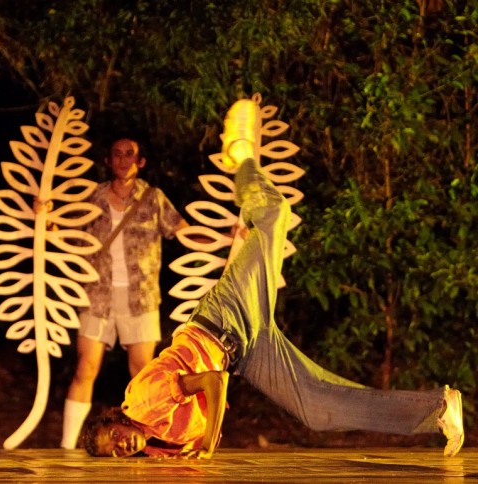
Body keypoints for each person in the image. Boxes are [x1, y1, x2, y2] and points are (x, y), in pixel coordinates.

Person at [81, 99, 465, 458]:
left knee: (273, 214)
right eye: (115, 450)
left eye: (114, 435)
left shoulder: (143, 399)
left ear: (116, 417)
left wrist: (209, 438)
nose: (122, 444)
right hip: (245, 350)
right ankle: (439, 407)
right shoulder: (155, 446)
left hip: (221, 320)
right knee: (316, 410)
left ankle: (242, 154)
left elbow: (213, 382)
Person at [60, 134, 190, 449]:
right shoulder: (92, 198)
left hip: (140, 297)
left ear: (140, 161)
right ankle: (66, 447)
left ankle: (144, 443)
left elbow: (184, 231)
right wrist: (42, 213)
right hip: (97, 294)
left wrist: (227, 237)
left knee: (143, 374)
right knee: (85, 368)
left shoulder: (153, 198)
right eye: (116, 154)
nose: (123, 159)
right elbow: (63, 230)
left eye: (129, 154)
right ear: (108, 160)